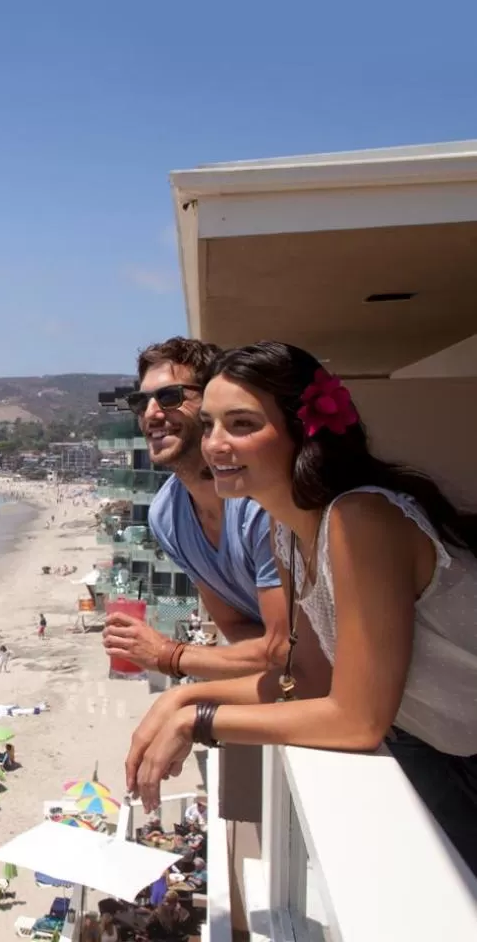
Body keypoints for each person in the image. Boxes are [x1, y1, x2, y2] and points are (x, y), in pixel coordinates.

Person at [124, 341, 477, 873]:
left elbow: (356, 720)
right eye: (213, 425)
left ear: (303, 430)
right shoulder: (289, 533)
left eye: (241, 424)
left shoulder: (361, 520)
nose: (217, 444)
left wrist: (198, 720)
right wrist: (178, 702)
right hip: (443, 749)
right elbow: (308, 678)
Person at [103, 337, 316, 690]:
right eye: (141, 402)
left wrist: (168, 654)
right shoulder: (166, 516)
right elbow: (235, 626)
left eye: (170, 397)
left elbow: (283, 647)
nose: (152, 413)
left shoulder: (262, 506)